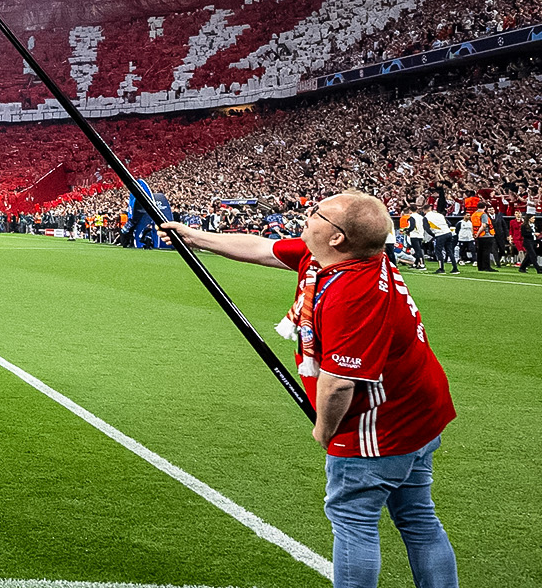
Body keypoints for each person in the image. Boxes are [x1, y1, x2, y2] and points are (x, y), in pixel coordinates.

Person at [168, 192, 457, 588]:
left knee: (354, 523)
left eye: (317, 214)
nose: (307, 216)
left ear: (337, 237)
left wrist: (324, 430)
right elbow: (263, 248)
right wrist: (195, 237)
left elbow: (340, 383)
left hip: (380, 426)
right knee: (419, 518)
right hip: (421, 413)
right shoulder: (329, 257)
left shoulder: (353, 293)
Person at [425, 204, 458, 274]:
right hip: (448, 232)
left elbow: (427, 229)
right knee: (449, 251)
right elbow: (448, 223)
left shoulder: (426, 217)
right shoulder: (439, 215)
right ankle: (455, 268)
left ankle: (441, 268)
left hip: (439, 234)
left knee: (438, 251)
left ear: (424, 210)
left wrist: (434, 235)